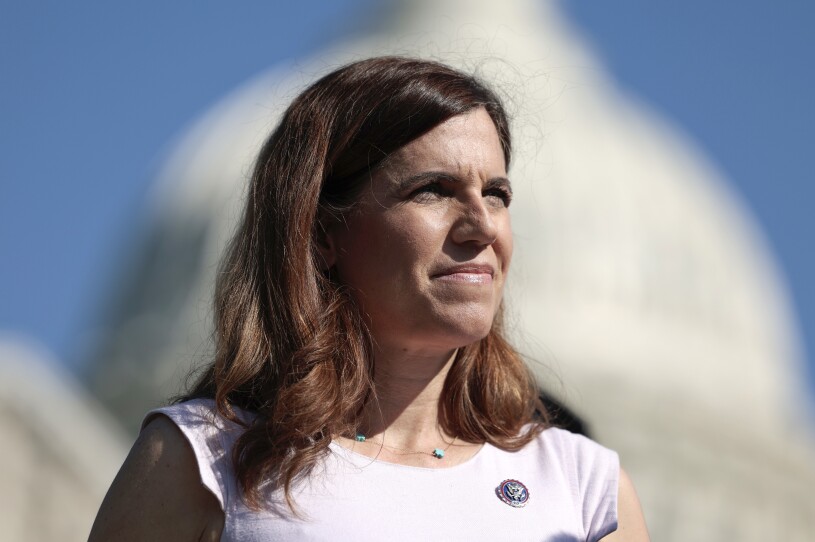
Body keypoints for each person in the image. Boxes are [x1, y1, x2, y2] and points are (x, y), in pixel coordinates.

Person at [89, 56, 649, 541]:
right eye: (433, 190)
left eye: (497, 195)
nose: (482, 226)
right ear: (324, 231)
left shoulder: (584, 489)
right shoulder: (201, 460)